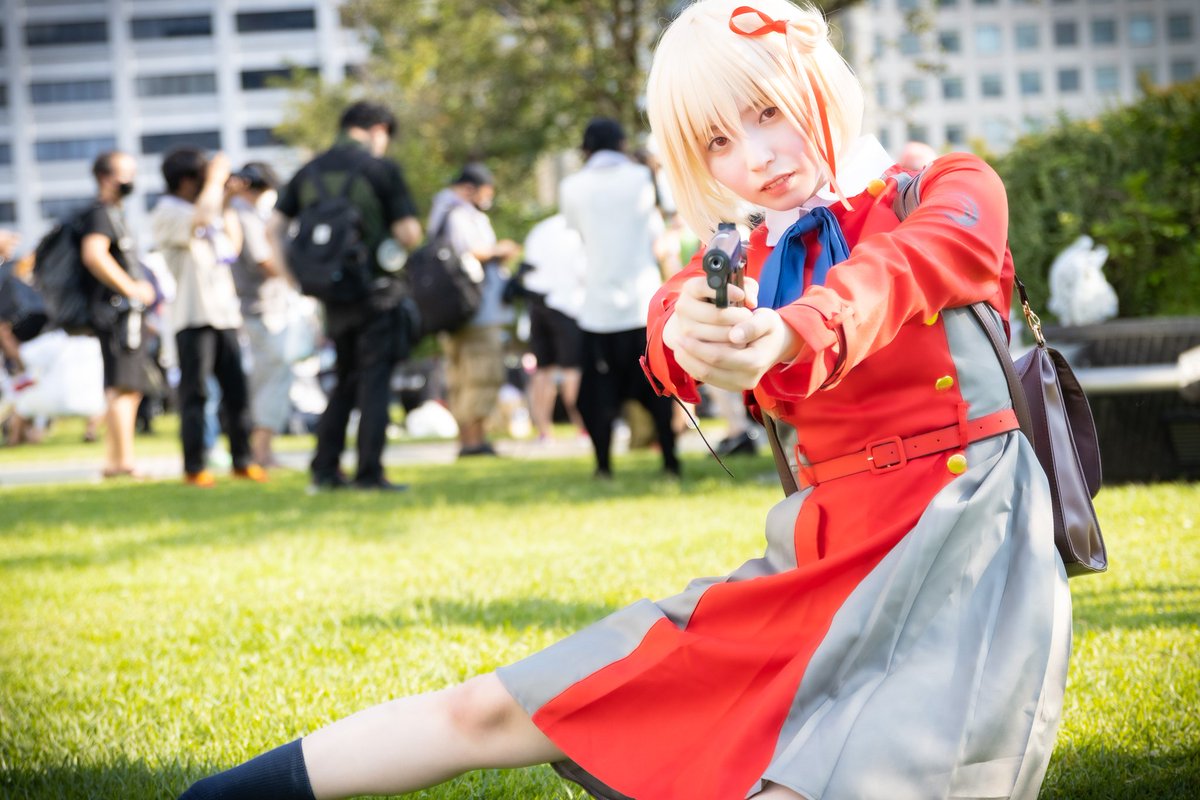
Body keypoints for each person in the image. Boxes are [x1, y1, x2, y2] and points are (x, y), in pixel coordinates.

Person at [177, 2, 1069, 799]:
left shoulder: (947, 189)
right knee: (490, 709)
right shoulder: (742, 257)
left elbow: (909, 265)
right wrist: (688, 330)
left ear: (818, 81)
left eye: (767, 111)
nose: (756, 156)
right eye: (717, 141)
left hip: (970, 545)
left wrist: (796, 329)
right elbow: (672, 317)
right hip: (819, 563)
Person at [274, 101, 422, 492]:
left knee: (344, 380)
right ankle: (369, 472)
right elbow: (408, 233)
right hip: (377, 293)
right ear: (378, 129)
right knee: (375, 381)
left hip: (332, 294)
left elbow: (274, 227)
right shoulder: (380, 169)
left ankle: (325, 469)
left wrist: (295, 280)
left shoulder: (309, 171)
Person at [560, 116, 680, 479]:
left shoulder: (572, 186)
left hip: (597, 307)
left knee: (597, 395)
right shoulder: (643, 177)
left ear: (586, 148)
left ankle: (603, 466)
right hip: (642, 304)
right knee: (658, 389)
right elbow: (660, 232)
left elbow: (577, 233)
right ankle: (671, 461)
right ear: (622, 143)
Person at [151, 147, 267, 488]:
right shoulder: (167, 211)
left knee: (237, 392)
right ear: (187, 181)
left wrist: (227, 202)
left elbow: (232, 245)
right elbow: (200, 221)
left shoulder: (209, 207)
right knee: (197, 395)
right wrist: (215, 181)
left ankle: (243, 460)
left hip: (224, 316)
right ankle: (195, 466)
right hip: (192, 316)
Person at [427, 163, 520, 458]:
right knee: (481, 375)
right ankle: (473, 441)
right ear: (470, 189)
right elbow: (471, 252)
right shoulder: (460, 214)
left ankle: (469, 440)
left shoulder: (441, 214)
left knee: (460, 379)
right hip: (476, 312)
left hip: (453, 313)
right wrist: (500, 250)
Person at [77, 151, 158, 478]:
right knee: (123, 387)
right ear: (105, 177)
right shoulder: (100, 214)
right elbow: (94, 255)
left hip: (118, 313)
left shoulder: (110, 213)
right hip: (116, 313)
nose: (131, 180)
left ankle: (115, 461)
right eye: (126, 173)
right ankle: (123, 462)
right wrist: (132, 288)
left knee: (126, 386)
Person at [229, 161, 291, 468]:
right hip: (260, 309)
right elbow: (264, 261)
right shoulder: (245, 216)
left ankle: (262, 449)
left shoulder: (251, 214)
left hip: (266, 308)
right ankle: (261, 451)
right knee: (271, 379)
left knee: (270, 378)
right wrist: (297, 276)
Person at [517, 213, 586, 441]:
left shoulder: (540, 229)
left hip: (537, 305)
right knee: (572, 369)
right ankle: (583, 428)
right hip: (566, 306)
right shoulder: (577, 231)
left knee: (542, 370)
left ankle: (543, 431)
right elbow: (584, 271)